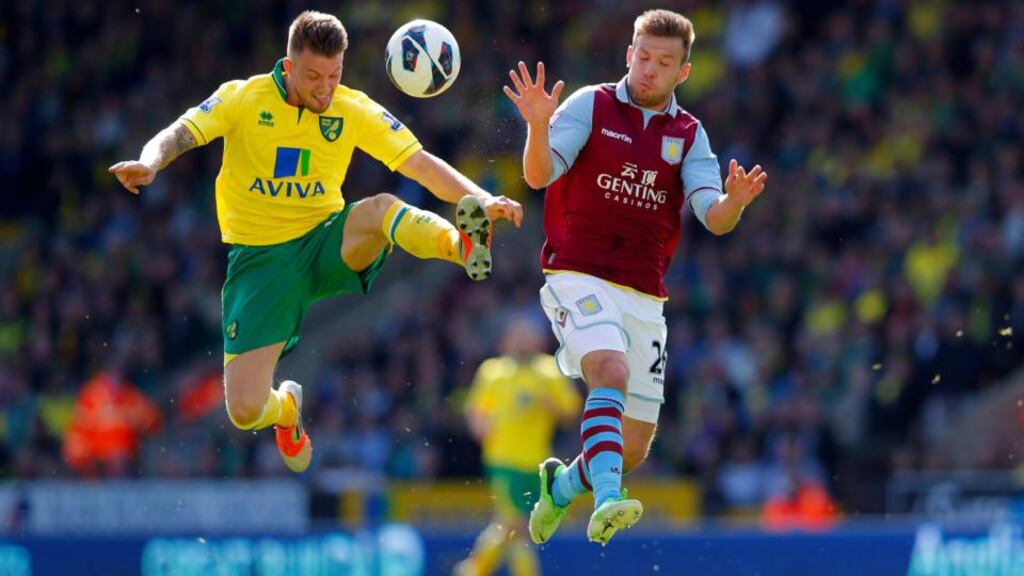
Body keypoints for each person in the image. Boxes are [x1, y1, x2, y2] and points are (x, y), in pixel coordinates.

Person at [109, 11, 522, 474]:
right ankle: (287, 409)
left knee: (380, 209)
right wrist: (150, 162)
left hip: (327, 241)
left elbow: (420, 164)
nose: (325, 88)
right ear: (288, 68)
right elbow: (181, 132)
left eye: (334, 74)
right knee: (244, 409)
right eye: (313, 77)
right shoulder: (243, 98)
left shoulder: (352, 108)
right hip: (261, 262)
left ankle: (460, 245)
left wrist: (482, 198)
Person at [503, 9, 767, 544]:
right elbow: (538, 175)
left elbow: (713, 217)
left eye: (664, 62)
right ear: (629, 54)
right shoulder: (590, 105)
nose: (649, 69)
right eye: (643, 57)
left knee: (633, 447)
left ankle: (560, 486)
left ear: (683, 72)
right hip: (577, 273)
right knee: (610, 370)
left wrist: (735, 203)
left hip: (644, 294)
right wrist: (537, 126)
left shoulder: (688, 135)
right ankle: (607, 500)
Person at [454, 318, 580, 576]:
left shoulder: (550, 371)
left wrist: (551, 406)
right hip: (503, 459)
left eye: (526, 335)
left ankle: (472, 569)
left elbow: (571, 409)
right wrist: (481, 428)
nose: (522, 341)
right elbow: (477, 409)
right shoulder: (493, 371)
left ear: (538, 340)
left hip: (537, 464)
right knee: (516, 523)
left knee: (512, 526)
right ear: (506, 341)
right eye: (517, 335)